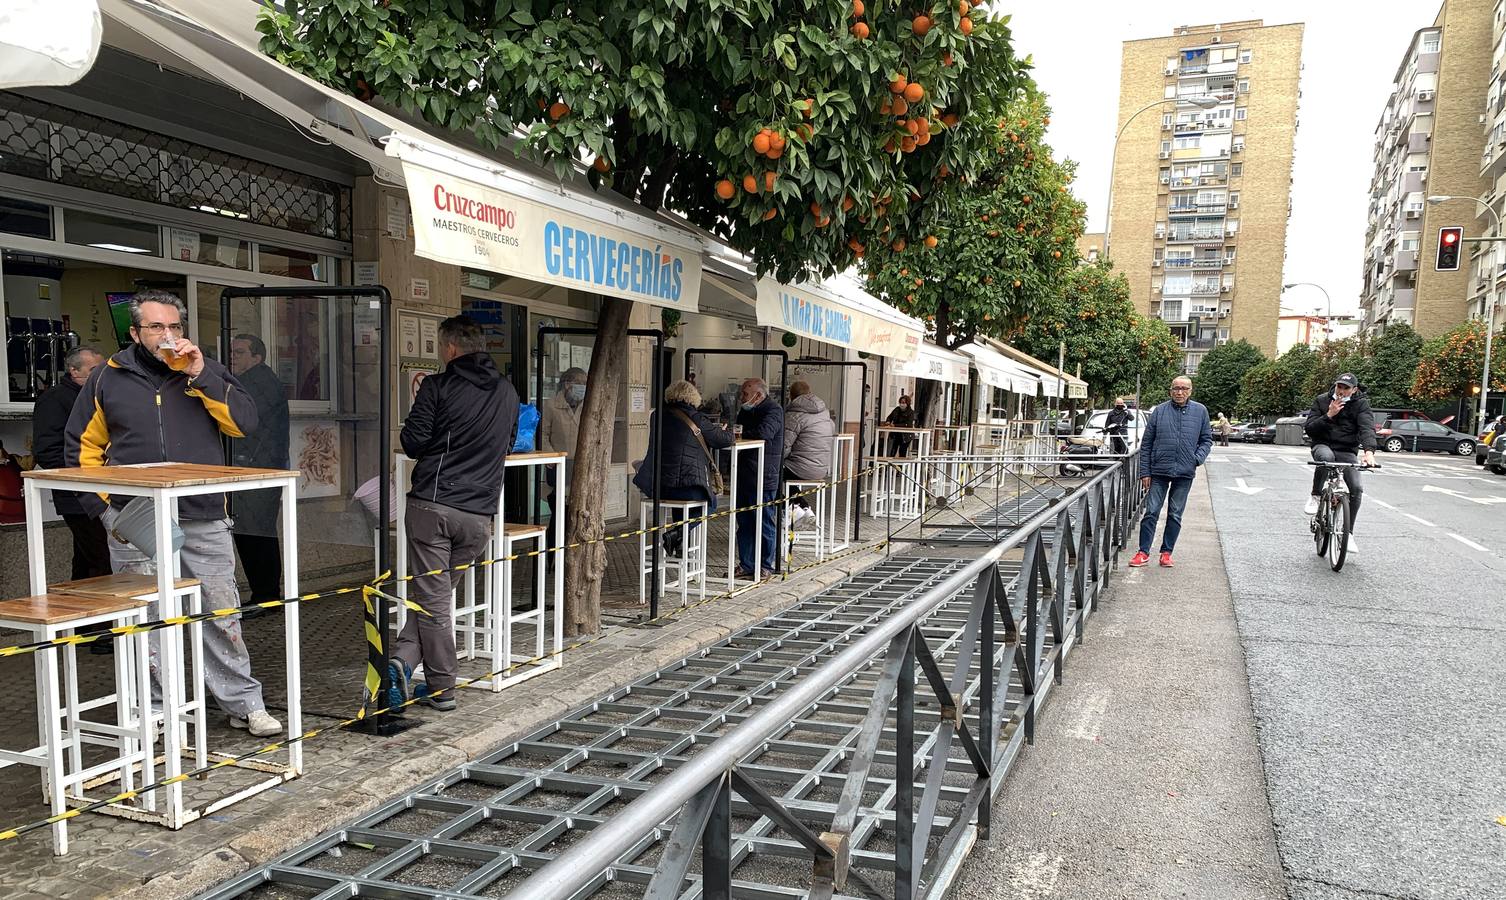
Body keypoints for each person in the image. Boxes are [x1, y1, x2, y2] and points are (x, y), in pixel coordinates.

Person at [65, 290, 280, 737]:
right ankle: (159, 711)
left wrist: (202, 374)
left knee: (222, 615)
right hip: (136, 520)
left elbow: (244, 423)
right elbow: (81, 449)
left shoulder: (205, 370)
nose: (168, 336)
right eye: (156, 328)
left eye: (175, 327)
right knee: (147, 622)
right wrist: (107, 512)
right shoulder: (106, 378)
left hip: (202, 514)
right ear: (135, 333)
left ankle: (242, 703)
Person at [392, 316, 519, 712]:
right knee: (436, 597)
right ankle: (400, 661)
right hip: (480, 514)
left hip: (433, 506)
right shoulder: (508, 392)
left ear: (448, 349)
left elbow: (413, 442)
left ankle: (442, 687)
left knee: (433, 602)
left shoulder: (437, 386)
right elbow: (509, 444)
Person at [33, 346, 109, 580]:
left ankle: (81, 612)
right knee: (101, 559)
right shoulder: (55, 400)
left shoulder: (97, 396)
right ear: (73, 371)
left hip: (103, 491)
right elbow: (47, 452)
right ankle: (102, 615)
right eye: (94, 370)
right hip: (78, 495)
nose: (101, 375)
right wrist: (87, 470)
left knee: (87, 560)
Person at [633, 379, 733, 557]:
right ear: (694, 398)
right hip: (687, 485)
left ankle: (680, 545)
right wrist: (726, 430)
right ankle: (677, 534)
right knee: (711, 503)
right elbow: (722, 440)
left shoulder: (656, 416)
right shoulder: (697, 418)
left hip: (658, 486)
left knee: (681, 505)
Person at [228, 334, 290, 607]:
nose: (233, 357)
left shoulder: (260, 383)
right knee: (252, 531)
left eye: (240, 352)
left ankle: (265, 595)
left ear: (257, 357)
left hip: (258, 468)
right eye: (232, 352)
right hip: (253, 466)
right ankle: (264, 593)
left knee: (256, 533)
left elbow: (240, 421)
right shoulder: (252, 381)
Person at [1130, 376, 1213, 569]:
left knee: (1175, 514)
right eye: (1176, 388)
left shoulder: (1200, 411)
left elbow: (1206, 439)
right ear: (1170, 390)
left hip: (1184, 472)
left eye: (1184, 388)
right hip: (1159, 471)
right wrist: (1145, 472)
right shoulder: (1159, 411)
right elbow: (1147, 444)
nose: (1179, 392)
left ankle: (1166, 553)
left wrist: (1197, 458)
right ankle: (1143, 552)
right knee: (1151, 512)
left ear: (1190, 391)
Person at [1302, 373, 1376, 551]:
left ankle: (1348, 534)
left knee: (1356, 488)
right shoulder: (1321, 400)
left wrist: (1369, 452)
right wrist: (1329, 415)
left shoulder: (1361, 404)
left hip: (1346, 450)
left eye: (1346, 388)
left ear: (1354, 390)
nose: (1341, 391)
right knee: (1326, 459)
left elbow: (1367, 428)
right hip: (1323, 445)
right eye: (1339, 387)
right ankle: (1316, 496)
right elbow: (1310, 429)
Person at [735, 377, 784, 578]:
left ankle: (765, 565)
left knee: (764, 521)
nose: (741, 398)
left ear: (758, 395)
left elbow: (765, 432)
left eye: (745, 394)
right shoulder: (746, 411)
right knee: (744, 521)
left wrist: (742, 432)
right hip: (745, 473)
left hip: (764, 474)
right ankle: (746, 564)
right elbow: (737, 430)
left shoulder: (773, 410)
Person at [782, 381, 835, 528]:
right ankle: (804, 508)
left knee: (769, 473)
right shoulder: (824, 414)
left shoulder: (794, 415)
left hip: (800, 468)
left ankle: (791, 509)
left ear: (791, 395)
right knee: (784, 475)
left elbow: (784, 446)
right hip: (822, 469)